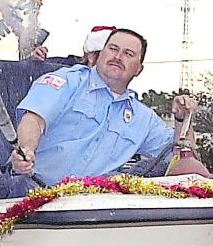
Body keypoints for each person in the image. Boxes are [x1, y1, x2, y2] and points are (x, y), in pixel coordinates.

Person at [11, 28, 198, 192]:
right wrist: (26, 149)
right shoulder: (67, 81)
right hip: (32, 193)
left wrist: (183, 120)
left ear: (138, 69)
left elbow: (181, 156)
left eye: (128, 53)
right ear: (101, 54)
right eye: (113, 49)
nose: (117, 57)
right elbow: (33, 119)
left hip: (94, 209)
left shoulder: (143, 118)